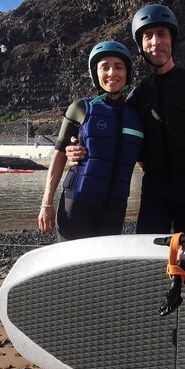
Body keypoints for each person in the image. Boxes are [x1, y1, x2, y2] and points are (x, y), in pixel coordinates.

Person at [67, 4, 185, 235]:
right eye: (148, 36)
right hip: (154, 192)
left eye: (162, 34)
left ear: (172, 39)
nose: (155, 41)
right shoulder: (137, 96)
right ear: (141, 45)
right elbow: (115, 138)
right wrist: (76, 149)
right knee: (149, 262)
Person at [39, 41, 143, 240]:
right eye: (104, 67)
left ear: (127, 73)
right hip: (77, 205)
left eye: (118, 67)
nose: (112, 73)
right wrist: (46, 204)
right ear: (96, 73)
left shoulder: (137, 116)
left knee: (103, 270)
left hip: (115, 209)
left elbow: (143, 160)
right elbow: (59, 156)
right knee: (71, 269)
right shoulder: (80, 108)